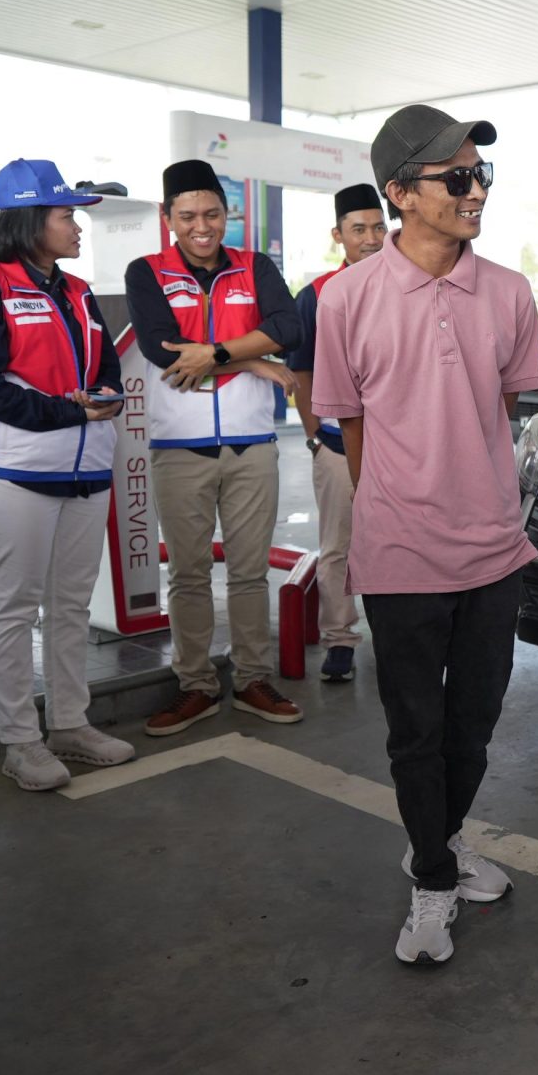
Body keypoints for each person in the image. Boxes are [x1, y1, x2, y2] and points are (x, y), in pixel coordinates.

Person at [310, 105, 538, 967]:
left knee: (473, 725)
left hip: (494, 548)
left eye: (480, 174)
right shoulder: (345, 298)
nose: (475, 190)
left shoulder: (510, 292)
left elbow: (497, 408)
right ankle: (434, 880)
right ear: (401, 193)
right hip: (400, 551)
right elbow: (351, 421)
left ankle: (434, 844)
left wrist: (466, 486)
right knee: (414, 731)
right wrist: (396, 505)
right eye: (456, 176)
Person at [0, 159, 137, 792]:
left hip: (87, 474)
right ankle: (20, 741)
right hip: (17, 475)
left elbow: (106, 369)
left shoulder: (77, 291)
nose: (77, 227)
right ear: (29, 220)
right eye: (65, 215)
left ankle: (70, 725)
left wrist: (103, 399)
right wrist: (67, 411)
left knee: (70, 608)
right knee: (14, 609)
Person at [125, 160, 305, 737]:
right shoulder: (146, 271)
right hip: (179, 446)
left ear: (228, 214)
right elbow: (161, 348)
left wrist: (221, 353)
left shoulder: (255, 266)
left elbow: (289, 327)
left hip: (252, 444)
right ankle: (197, 685)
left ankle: (252, 679)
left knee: (250, 573)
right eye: (187, 216)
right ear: (167, 217)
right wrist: (252, 360)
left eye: (211, 214)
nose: (201, 227)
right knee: (189, 574)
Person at [287, 181, 388, 683]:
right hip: (334, 444)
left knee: (402, 545)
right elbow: (301, 371)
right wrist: (313, 437)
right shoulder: (316, 295)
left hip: (400, 447)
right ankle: (340, 639)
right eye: (358, 229)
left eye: (378, 227)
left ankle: (398, 636)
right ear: (338, 235)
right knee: (337, 547)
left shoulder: (410, 283)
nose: (370, 238)